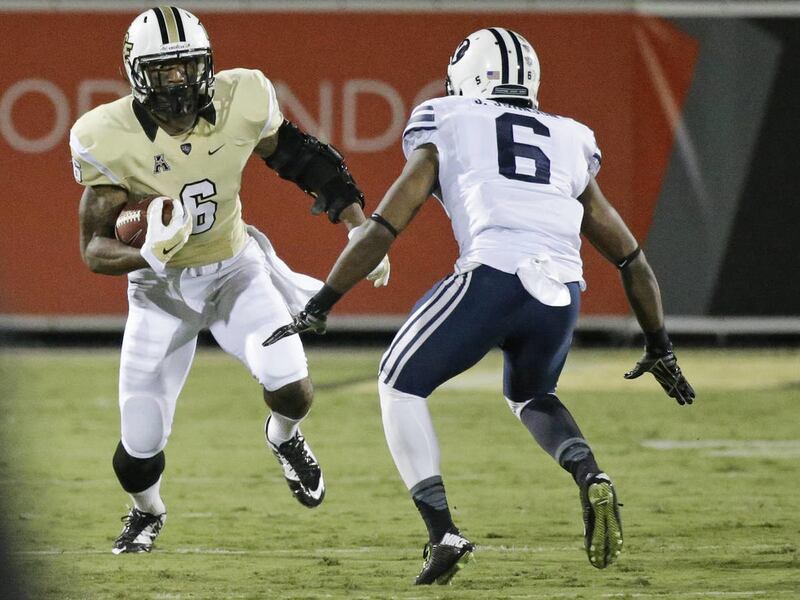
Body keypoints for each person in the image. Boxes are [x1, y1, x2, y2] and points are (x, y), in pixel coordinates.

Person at [264, 27, 695, 584]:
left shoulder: (448, 118)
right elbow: (631, 257)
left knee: (398, 382)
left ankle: (441, 532)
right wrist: (658, 342)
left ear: (468, 78)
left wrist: (322, 301)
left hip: (493, 275)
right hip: (562, 292)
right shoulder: (569, 138)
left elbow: (387, 222)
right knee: (533, 393)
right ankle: (590, 475)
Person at [70, 5, 390, 554]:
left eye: (188, 66)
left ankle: (284, 440)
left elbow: (303, 159)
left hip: (235, 270)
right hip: (160, 294)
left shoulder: (242, 96)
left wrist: (358, 225)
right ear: (137, 74)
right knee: (138, 447)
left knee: (292, 386)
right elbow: (94, 251)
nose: (179, 80)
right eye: (164, 70)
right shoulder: (107, 135)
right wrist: (149, 254)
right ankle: (147, 512)